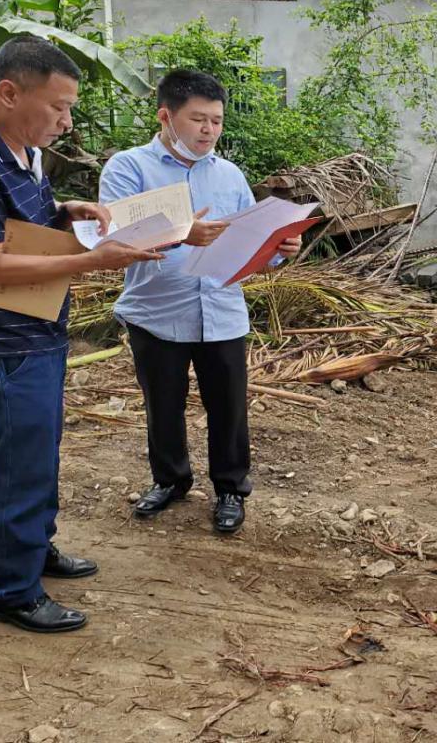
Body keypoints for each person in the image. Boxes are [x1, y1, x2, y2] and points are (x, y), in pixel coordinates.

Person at [0, 36, 163, 634]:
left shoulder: (14, 148)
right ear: (10, 93)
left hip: (37, 326)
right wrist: (95, 262)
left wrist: (67, 210)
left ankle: (33, 547)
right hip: (4, 338)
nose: (66, 120)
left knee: (36, 453)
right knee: (12, 463)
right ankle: (8, 588)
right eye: (58, 107)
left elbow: (22, 220)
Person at [100, 69, 301, 534]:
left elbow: (249, 239)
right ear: (166, 117)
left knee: (228, 407)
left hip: (222, 309)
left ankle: (230, 487)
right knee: (163, 405)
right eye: (198, 120)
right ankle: (170, 481)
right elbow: (116, 237)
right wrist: (180, 234)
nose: (209, 130)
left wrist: (278, 250)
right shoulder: (129, 168)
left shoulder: (228, 174)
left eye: (216, 121)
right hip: (156, 312)